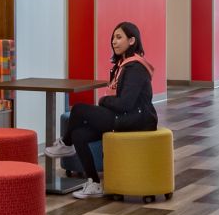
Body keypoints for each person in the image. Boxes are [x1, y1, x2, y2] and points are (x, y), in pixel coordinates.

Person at [43, 21, 158, 200]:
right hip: (123, 116)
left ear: (132, 40)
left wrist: (104, 100)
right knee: (80, 135)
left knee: (79, 109)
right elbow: (120, 103)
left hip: (137, 120)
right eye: (113, 37)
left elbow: (126, 103)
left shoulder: (135, 68)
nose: (114, 41)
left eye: (119, 37)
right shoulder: (122, 65)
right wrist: (107, 103)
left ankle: (65, 144)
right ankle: (94, 183)